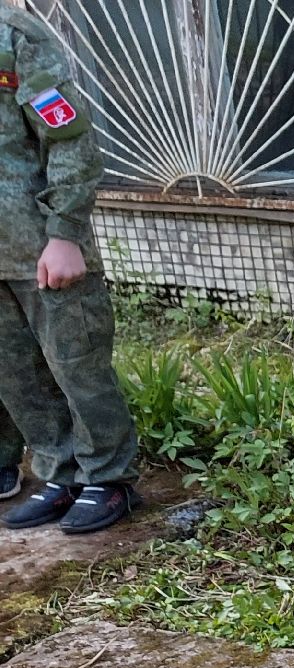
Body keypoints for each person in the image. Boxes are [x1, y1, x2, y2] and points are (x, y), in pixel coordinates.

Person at [0, 4, 140, 534]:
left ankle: (108, 477)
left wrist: (64, 233)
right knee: (16, 375)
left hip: (39, 243)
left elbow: (68, 137)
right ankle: (60, 473)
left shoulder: (15, 35)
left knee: (76, 364)